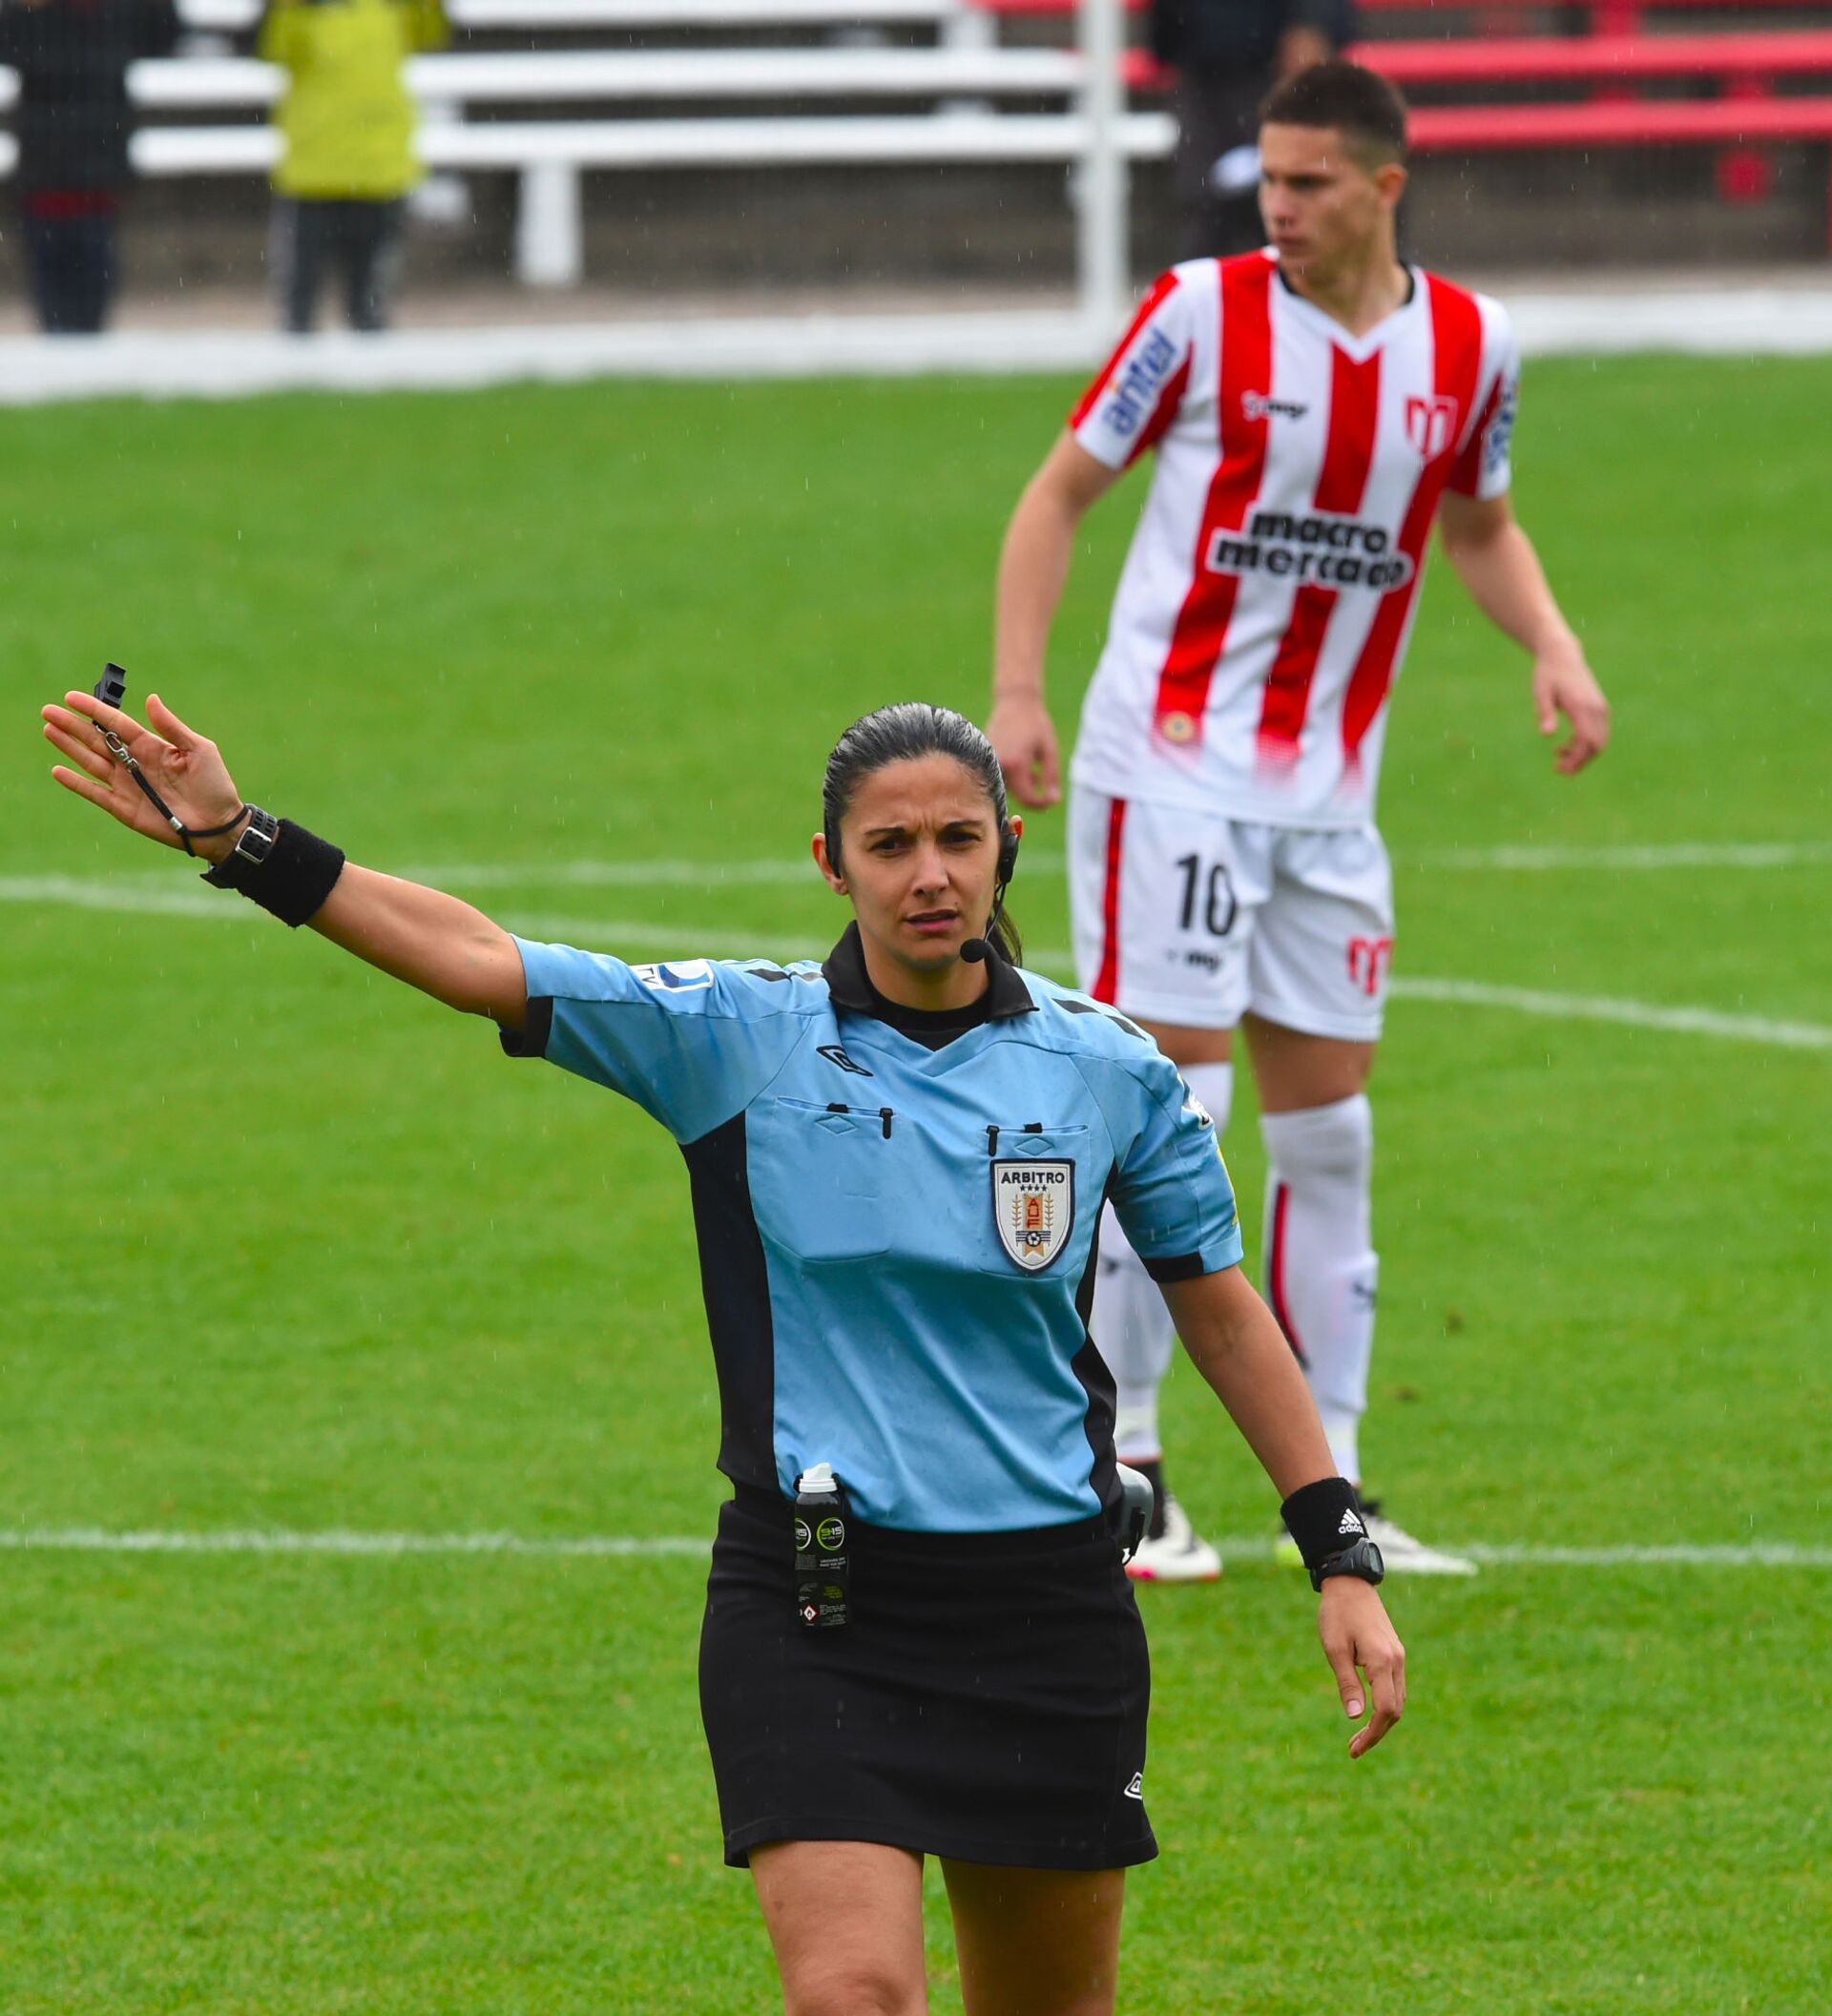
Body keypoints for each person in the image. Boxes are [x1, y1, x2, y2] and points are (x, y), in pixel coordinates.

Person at [42, 687, 1405, 2016]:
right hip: (819, 1608)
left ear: (1007, 847)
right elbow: (480, 958)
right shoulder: (735, 1040)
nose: (928, 875)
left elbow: (1218, 1309)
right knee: (852, 1992)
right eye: (888, 845)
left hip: (1047, 1608)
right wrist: (244, 842)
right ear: (831, 864)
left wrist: (1334, 1547)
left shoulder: (1109, 1069)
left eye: (957, 839)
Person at [989, 60, 1610, 1584]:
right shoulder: (1199, 312)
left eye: (1311, 181)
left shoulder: (1471, 345)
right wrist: (1021, 690)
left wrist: (1553, 641)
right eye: (1269, 177)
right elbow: (1058, 494)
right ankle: (1128, 1472)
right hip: (1170, 768)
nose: (1281, 204)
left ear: (1386, 186)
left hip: (1330, 804)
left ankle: (1332, 1490)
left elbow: (1478, 523)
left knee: (1330, 1138)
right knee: (1175, 1123)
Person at [254, 0, 448, 334]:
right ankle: (301, 369)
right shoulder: (302, 10)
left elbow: (430, 31)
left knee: (369, 301)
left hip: (374, 163)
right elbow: (275, 48)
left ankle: (369, 371)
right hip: (317, 166)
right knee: (302, 302)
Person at [0, 0, 179, 334]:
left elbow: (165, 32)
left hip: (94, 182)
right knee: (54, 294)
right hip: (47, 179)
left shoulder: (119, 16)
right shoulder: (33, 17)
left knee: (91, 296)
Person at [1150, 0, 1354, 262]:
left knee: (1290, 205)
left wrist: (1312, 22)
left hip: (1274, 63)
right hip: (1202, 63)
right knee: (1205, 207)